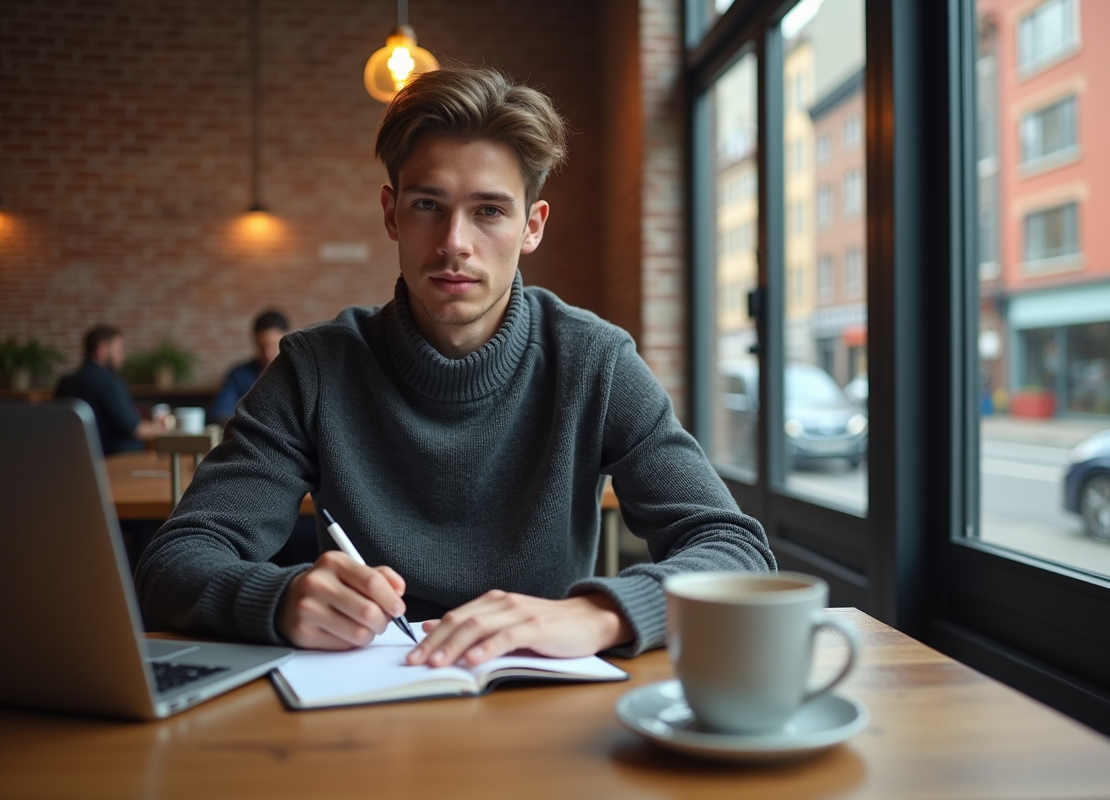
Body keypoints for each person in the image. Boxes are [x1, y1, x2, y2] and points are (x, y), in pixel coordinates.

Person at [135, 66, 775, 667]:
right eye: (427, 205)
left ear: (532, 226)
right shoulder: (315, 369)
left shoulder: (595, 361)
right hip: (362, 705)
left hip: (538, 695)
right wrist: (277, 599)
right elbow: (174, 561)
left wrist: (601, 614)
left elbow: (738, 553)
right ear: (391, 213)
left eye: (489, 210)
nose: (454, 244)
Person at [55, 325, 164, 456]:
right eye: (119, 350)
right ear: (103, 348)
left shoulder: (65, 382)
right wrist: (163, 427)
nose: (122, 356)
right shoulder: (109, 383)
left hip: (78, 459)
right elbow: (136, 429)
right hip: (120, 460)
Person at [210, 310, 290, 424]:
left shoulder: (298, 375)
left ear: (286, 341)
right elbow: (220, 413)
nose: (267, 353)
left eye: (273, 346)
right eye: (261, 346)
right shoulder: (238, 375)